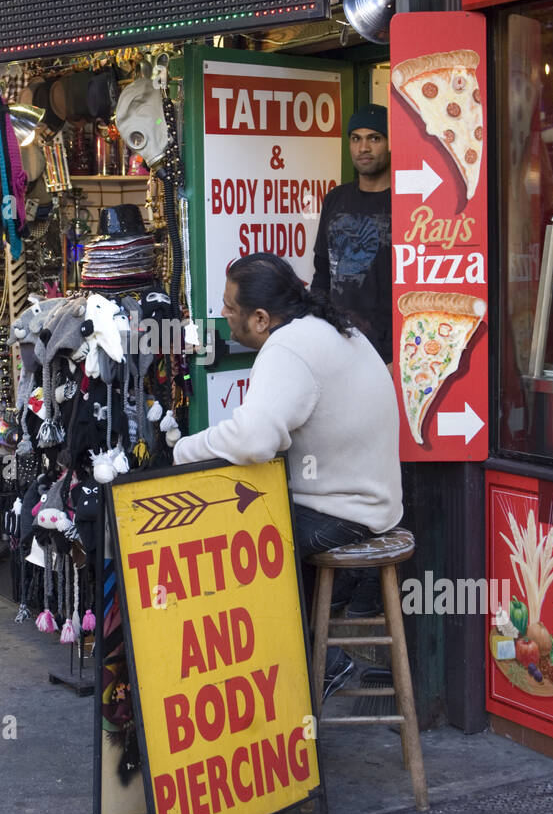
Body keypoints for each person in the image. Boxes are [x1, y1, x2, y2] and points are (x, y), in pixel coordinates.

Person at [172, 252, 403, 701]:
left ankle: (320, 664)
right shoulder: (326, 329)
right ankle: (307, 658)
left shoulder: (288, 348)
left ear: (260, 318)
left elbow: (255, 439)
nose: (224, 316)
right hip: (373, 504)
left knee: (225, 549)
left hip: (346, 513)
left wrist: (183, 450)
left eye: (230, 308)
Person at [312, 102, 393, 618]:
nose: (364, 147)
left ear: (390, 144)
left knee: (379, 469)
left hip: (387, 360)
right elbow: (321, 271)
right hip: (337, 352)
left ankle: (369, 586)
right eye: (356, 138)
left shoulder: (409, 200)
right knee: (337, 464)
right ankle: (343, 580)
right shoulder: (336, 199)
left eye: (374, 138)